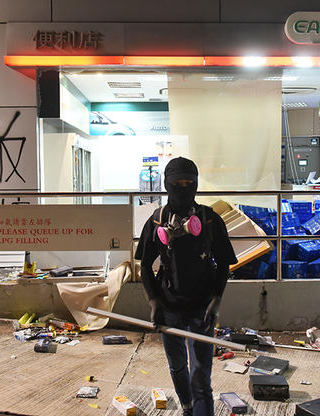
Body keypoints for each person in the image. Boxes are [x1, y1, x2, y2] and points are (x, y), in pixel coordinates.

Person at [135, 157, 237, 416]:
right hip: (169, 305)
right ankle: (188, 407)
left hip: (201, 307)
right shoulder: (157, 222)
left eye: (189, 183)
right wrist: (154, 302)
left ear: (196, 185)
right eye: (176, 183)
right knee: (177, 366)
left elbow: (224, 263)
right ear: (167, 185)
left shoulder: (210, 221)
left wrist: (216, 300)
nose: (183, 188)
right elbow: (145, 265)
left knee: (201, 377)